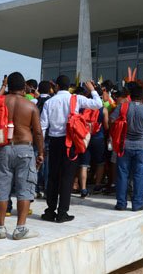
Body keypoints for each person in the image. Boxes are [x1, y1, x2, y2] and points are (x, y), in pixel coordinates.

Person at [39, 75, 102, 223]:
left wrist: (41, 147)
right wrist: (92, 90)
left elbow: (42, 127)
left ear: (56, 86)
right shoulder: (76, 99)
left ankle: (50, 211)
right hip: (71, 143)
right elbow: (98, 104)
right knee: (67, 178)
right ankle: (62, 213)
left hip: (54, 142)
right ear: (69, 87)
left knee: (53, 177)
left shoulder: (49, 102)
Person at [0, 72, 43, 240]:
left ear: (8, 86)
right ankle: (20, 228)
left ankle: (0, 227)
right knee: (25, 189)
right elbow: (37, 132)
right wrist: (41, 152)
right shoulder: (30, 106)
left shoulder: (0, 103)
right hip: (24, 149)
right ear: (24, 87)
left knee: (2, 189)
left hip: (4, 148)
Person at [111, 83, 143, 211]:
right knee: (139, 175)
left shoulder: (122, 107)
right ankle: (137, 204)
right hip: (141, 146)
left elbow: (111, 120)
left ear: (130, 96)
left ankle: (121, 203)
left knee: (122, 175)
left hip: (124, 146)